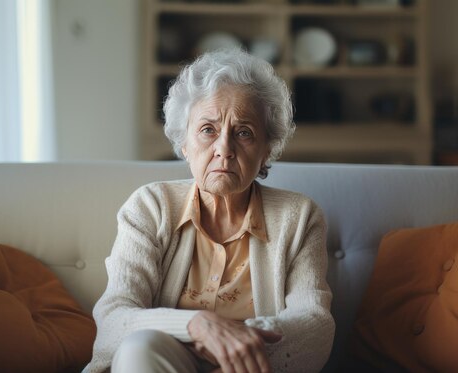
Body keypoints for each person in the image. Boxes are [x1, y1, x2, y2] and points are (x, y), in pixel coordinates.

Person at [83, 49, 335, 373]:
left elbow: (315, 325)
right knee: (140, 348)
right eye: (208, 130)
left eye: (244, 132)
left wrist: (237, 345)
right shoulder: (150, 207)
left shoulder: (300, 218)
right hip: (163, 363)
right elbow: (114, 317)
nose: (224, 150)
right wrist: (198, 325)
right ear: (184, 144)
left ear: (265, 152)